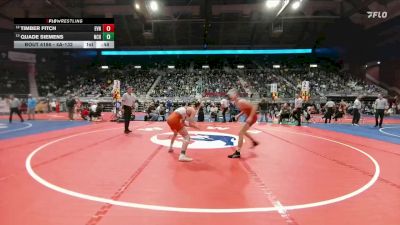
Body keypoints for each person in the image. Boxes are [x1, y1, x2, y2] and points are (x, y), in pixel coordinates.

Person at [227, 89, 258, 159]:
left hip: (252, 117)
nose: (229, 96)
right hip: (251, 116)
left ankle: (237, 152)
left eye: (231, 94)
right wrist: (238, 115)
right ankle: (254, 141)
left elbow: (254, 106)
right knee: (243, 131)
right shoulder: (237, 102)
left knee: (240, 133)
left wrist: (250, 117)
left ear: (236, 95)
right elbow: (244, 109)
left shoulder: (241, 101)